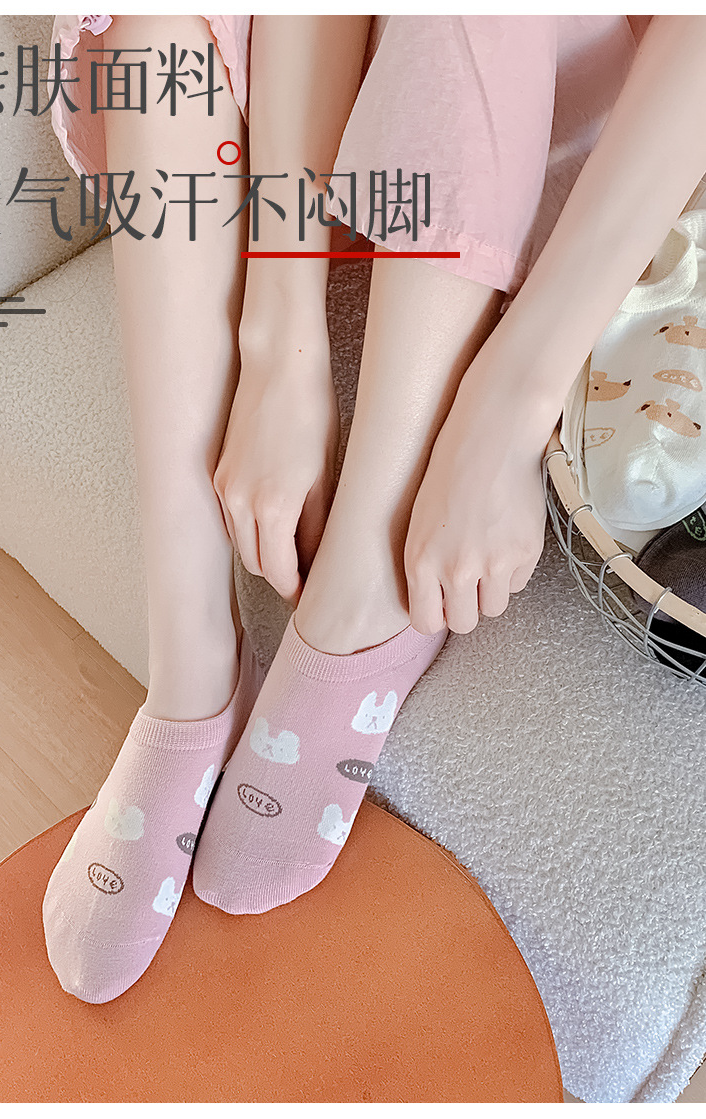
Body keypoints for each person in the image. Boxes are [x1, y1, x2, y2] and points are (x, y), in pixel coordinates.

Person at [42, 14, 706, 1005]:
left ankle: (368, 573)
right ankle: (190, 670)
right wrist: (280, 338)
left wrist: (507, 413)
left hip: (587, 121)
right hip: (341, 114)